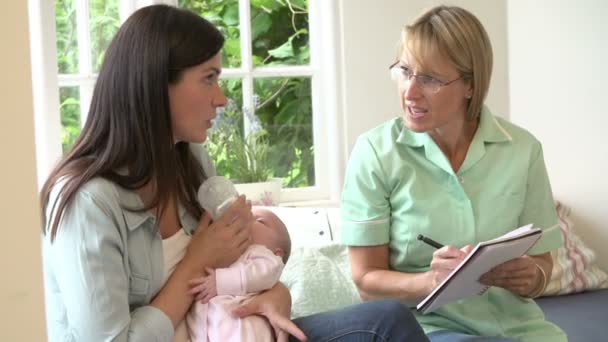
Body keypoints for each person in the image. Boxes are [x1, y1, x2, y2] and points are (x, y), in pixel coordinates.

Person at [40, 4, 429, 342]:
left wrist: (277, 296)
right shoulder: (87, 202)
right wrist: (195, 263)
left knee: (387, 322)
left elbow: (245, 260)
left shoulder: (189, 159)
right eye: (208, 78)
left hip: (230, 331)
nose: (222, 98)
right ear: (157, 85)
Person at [340, 5, 566, 342]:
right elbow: (365, 281)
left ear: (470, 86)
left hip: (523, 331)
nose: (410, 91)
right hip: (427, 330)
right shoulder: (375, 152)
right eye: (404, 70)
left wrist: (531, 277)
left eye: (429, 78)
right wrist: (431, 283)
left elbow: (542, 264)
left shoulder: (523, 149)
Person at [186, 208, 291, 342]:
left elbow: (267, 273)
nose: (247, 219)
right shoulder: (225, 254)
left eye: (259, 221)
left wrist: (219, 282)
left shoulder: (263, 257)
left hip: (245, 333)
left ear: (277, 254)